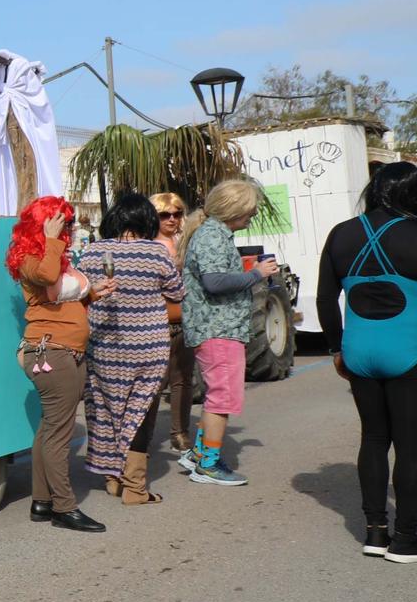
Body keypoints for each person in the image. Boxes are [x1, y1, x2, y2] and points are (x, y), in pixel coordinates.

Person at [316, 162, 417, 562]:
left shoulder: (341, 234)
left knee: (374, 438)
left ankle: (375, 533)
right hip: (412, 350)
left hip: (359, 352)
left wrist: (336, 349)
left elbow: (324, 301)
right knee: (412, 448)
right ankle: (405, 539)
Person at [8, 195, 115, 532]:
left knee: (50, 429)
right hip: (51, 353)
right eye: (62, 221)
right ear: (44, 223)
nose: (68, 227)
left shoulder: (57, 255)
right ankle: (64, 508)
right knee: (59, 434)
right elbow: (45, 275)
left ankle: (42, 502)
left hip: (66, 351)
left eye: (68, 222)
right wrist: (52, 239)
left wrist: (93, 291)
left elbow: (63, 296)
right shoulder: (31, 257)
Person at [78, 193, 184, 505]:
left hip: (103, 347)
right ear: (147, 221)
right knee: (139, 414)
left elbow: (79, 292)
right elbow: (178, 294)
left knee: (107, 411)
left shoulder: (91, 253)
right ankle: (135, 487)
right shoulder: (156, 253)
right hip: (147, 348)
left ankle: (112, 479)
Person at [178, 179, 277, 487]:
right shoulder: (212, 237)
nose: (251, 216)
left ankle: (199, 453)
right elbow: (214, 282)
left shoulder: (213, 233)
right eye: (248, 210)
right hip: (218, 329)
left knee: (219, 395)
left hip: (218, 328)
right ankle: (208, 464)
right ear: (232, 209)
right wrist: (255, 274)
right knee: (223, 398)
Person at [152, 192, 196, 455]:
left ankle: (180, 432)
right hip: (159, 323)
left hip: (185, 320)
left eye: (177, 213)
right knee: (155, 384)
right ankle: (143, 437)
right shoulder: (150, 246)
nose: (172, 219)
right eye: (164, 214)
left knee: (183, 380)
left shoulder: (184, 243)